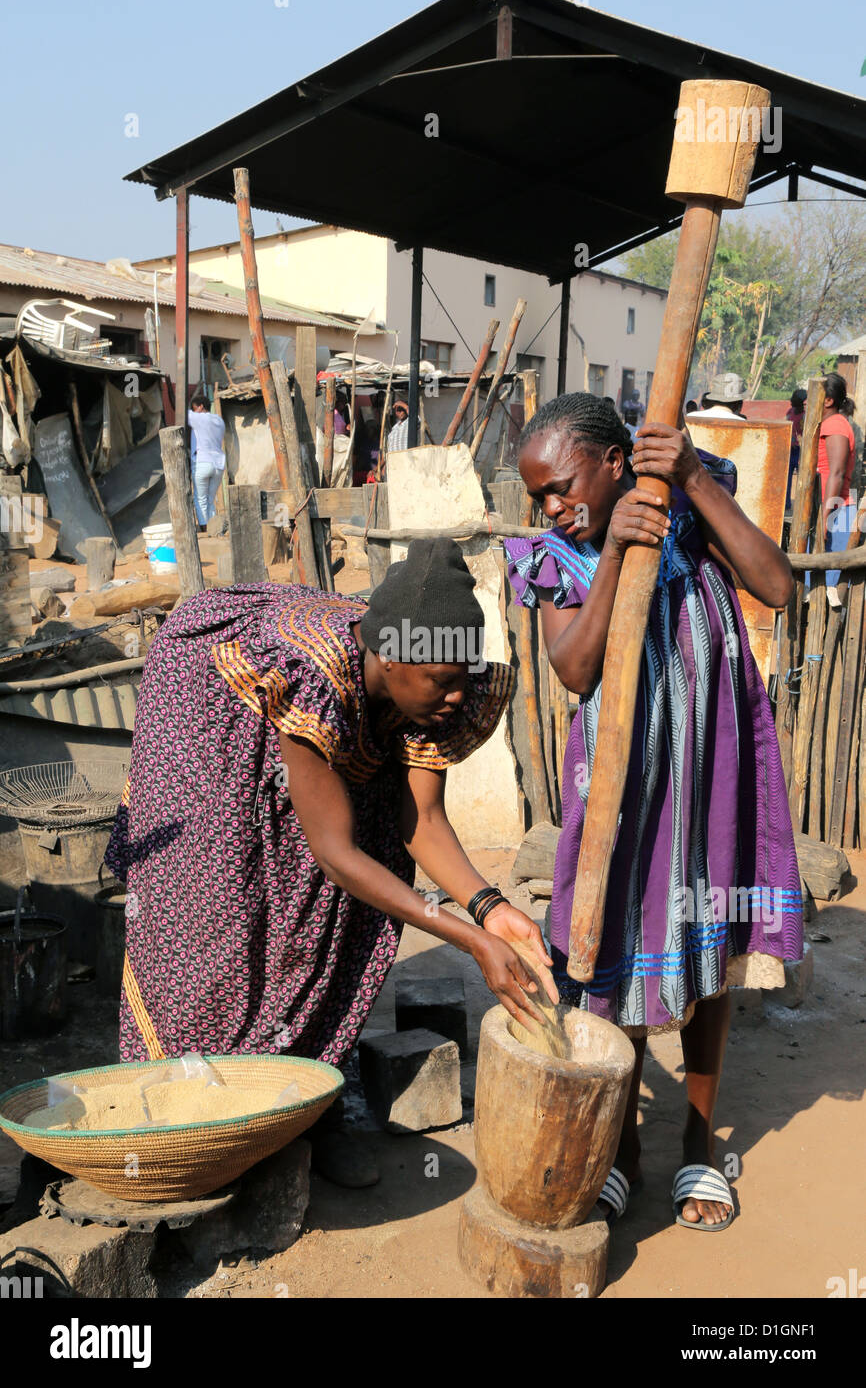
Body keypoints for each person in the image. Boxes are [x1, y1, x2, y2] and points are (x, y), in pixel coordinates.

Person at [104, 539, 556, 1186]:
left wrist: (493, 911)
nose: (458, 698)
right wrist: (466, 938)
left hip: (335, 719)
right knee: (218, 903)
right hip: (214, 699)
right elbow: (334, 855)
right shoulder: (314, 670)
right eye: (443, 683)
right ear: (393, 657)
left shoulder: (424, 689)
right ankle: (183, 1118)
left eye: (463, 681)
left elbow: (421, 823)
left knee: (369, 886)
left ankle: (311, 1103)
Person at [504, 393, 802, 1231]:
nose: (553, 507)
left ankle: (701, 1150)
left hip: (710, 772)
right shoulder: (549, 557)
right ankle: (626, 1155)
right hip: (623, 787)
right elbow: (574, 667)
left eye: (562, 485)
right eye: (538, 497)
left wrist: (693, 482)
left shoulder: (689, 509)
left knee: (709, 954)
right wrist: (616, 551)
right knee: (616, 957)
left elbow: (775, 585)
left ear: (614, 460)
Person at [817, 373, 857, 586]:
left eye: (813, 394)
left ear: (829, 400)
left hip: (836, 513)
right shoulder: (829, 424)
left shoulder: (835, 425)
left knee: (831, 588)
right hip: (831, 510)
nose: (806, 401)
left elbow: (837, 473)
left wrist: (825, 516)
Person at [188, 395, 226, 528]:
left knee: (200, 500)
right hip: (218, 464)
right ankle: (213, 529)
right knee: (210, 500)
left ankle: (204, 529)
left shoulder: (199, 418)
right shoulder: (219, 421)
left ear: (201, 407)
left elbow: (182, 413)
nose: (193, 411)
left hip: (202, 462)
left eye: (194, 408)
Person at [785, 387, 807, 512]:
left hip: (800, 450)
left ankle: (802, 506)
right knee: (787, 479)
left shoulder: (805, 416)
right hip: (790, 449)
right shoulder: (790, 412)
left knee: (802, 479)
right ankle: (787, 503)